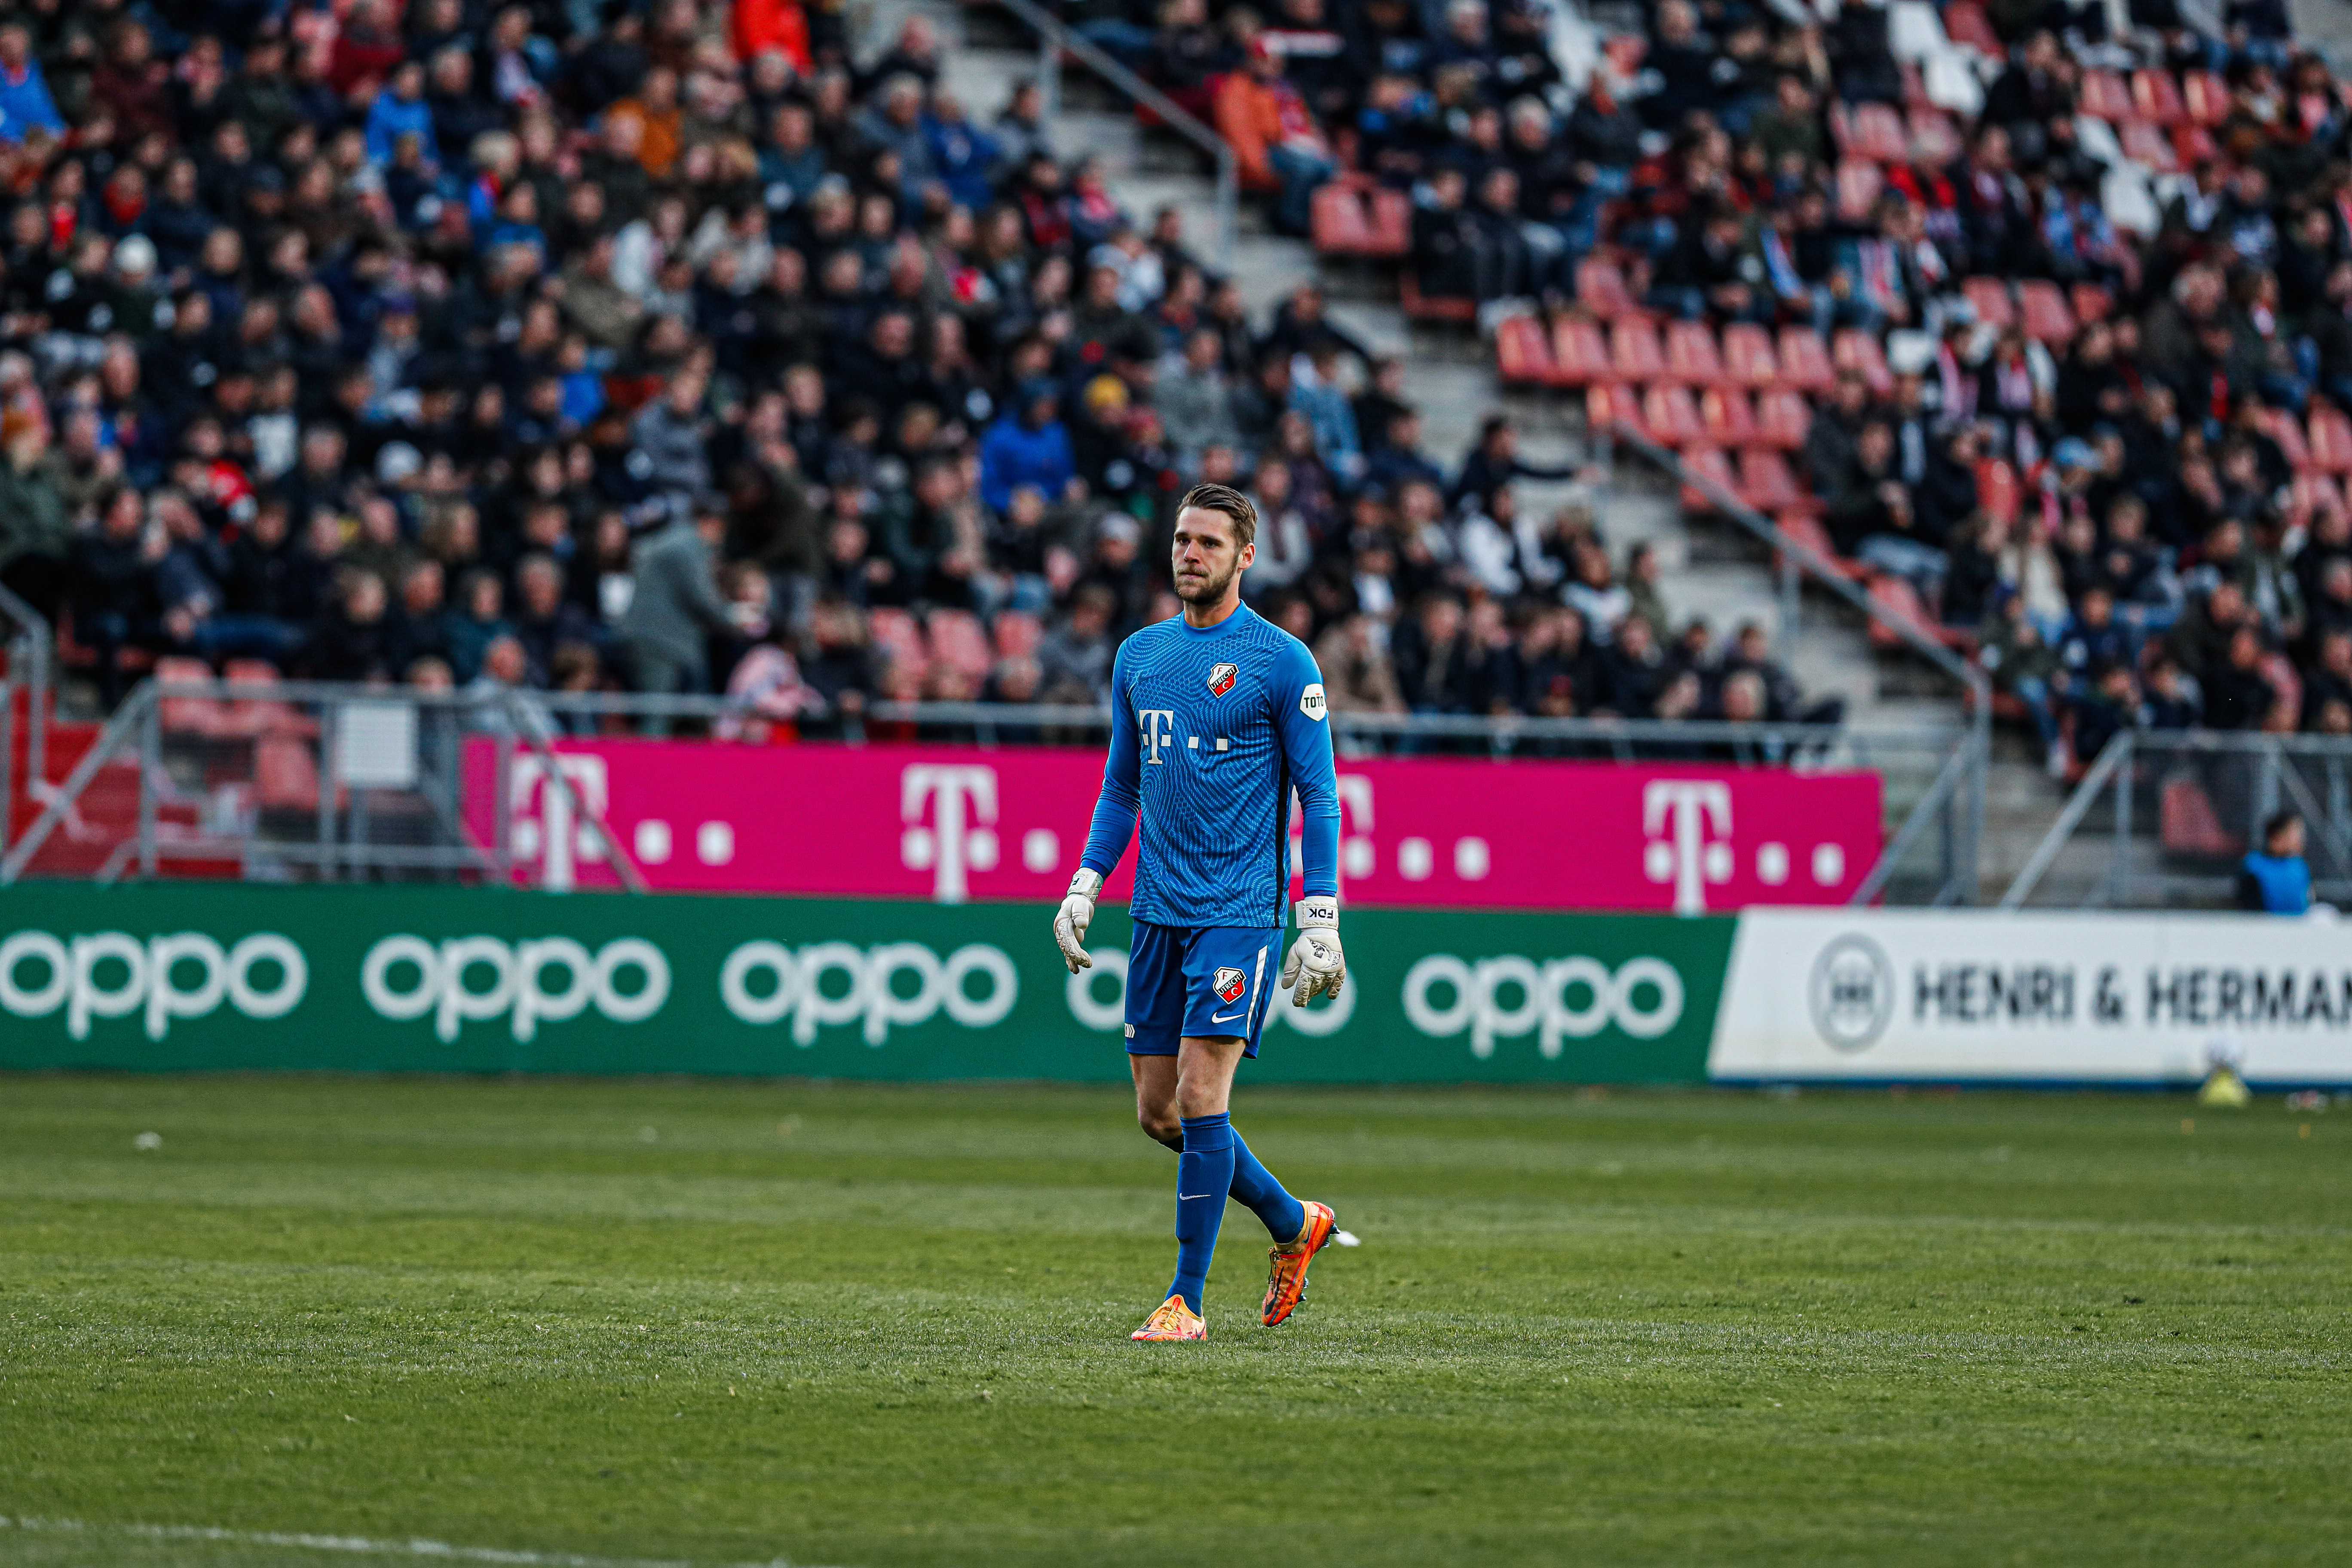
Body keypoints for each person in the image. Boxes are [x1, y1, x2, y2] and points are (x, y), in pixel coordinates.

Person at [1050, 483, 1344, 1343]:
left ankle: (1187, 1301)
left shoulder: (1282, 661)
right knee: (1160, 1113)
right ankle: (1296, 1223)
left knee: (1202, 1092)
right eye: (1182, 539)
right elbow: (1121, 785)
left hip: (1240, 912)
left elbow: (1318, 795)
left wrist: (1318, 913)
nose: (1190, 554)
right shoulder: (1139, 657)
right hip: (1157, 911)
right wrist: (1086, 882)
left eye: (1209, 543)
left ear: (1245, 556)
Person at [2235, 809, 2313, 914]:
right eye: (2296, 833)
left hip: (2298, 927)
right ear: (2277, 836)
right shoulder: (2254, 866)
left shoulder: (2299, 866)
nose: (2301, 840)